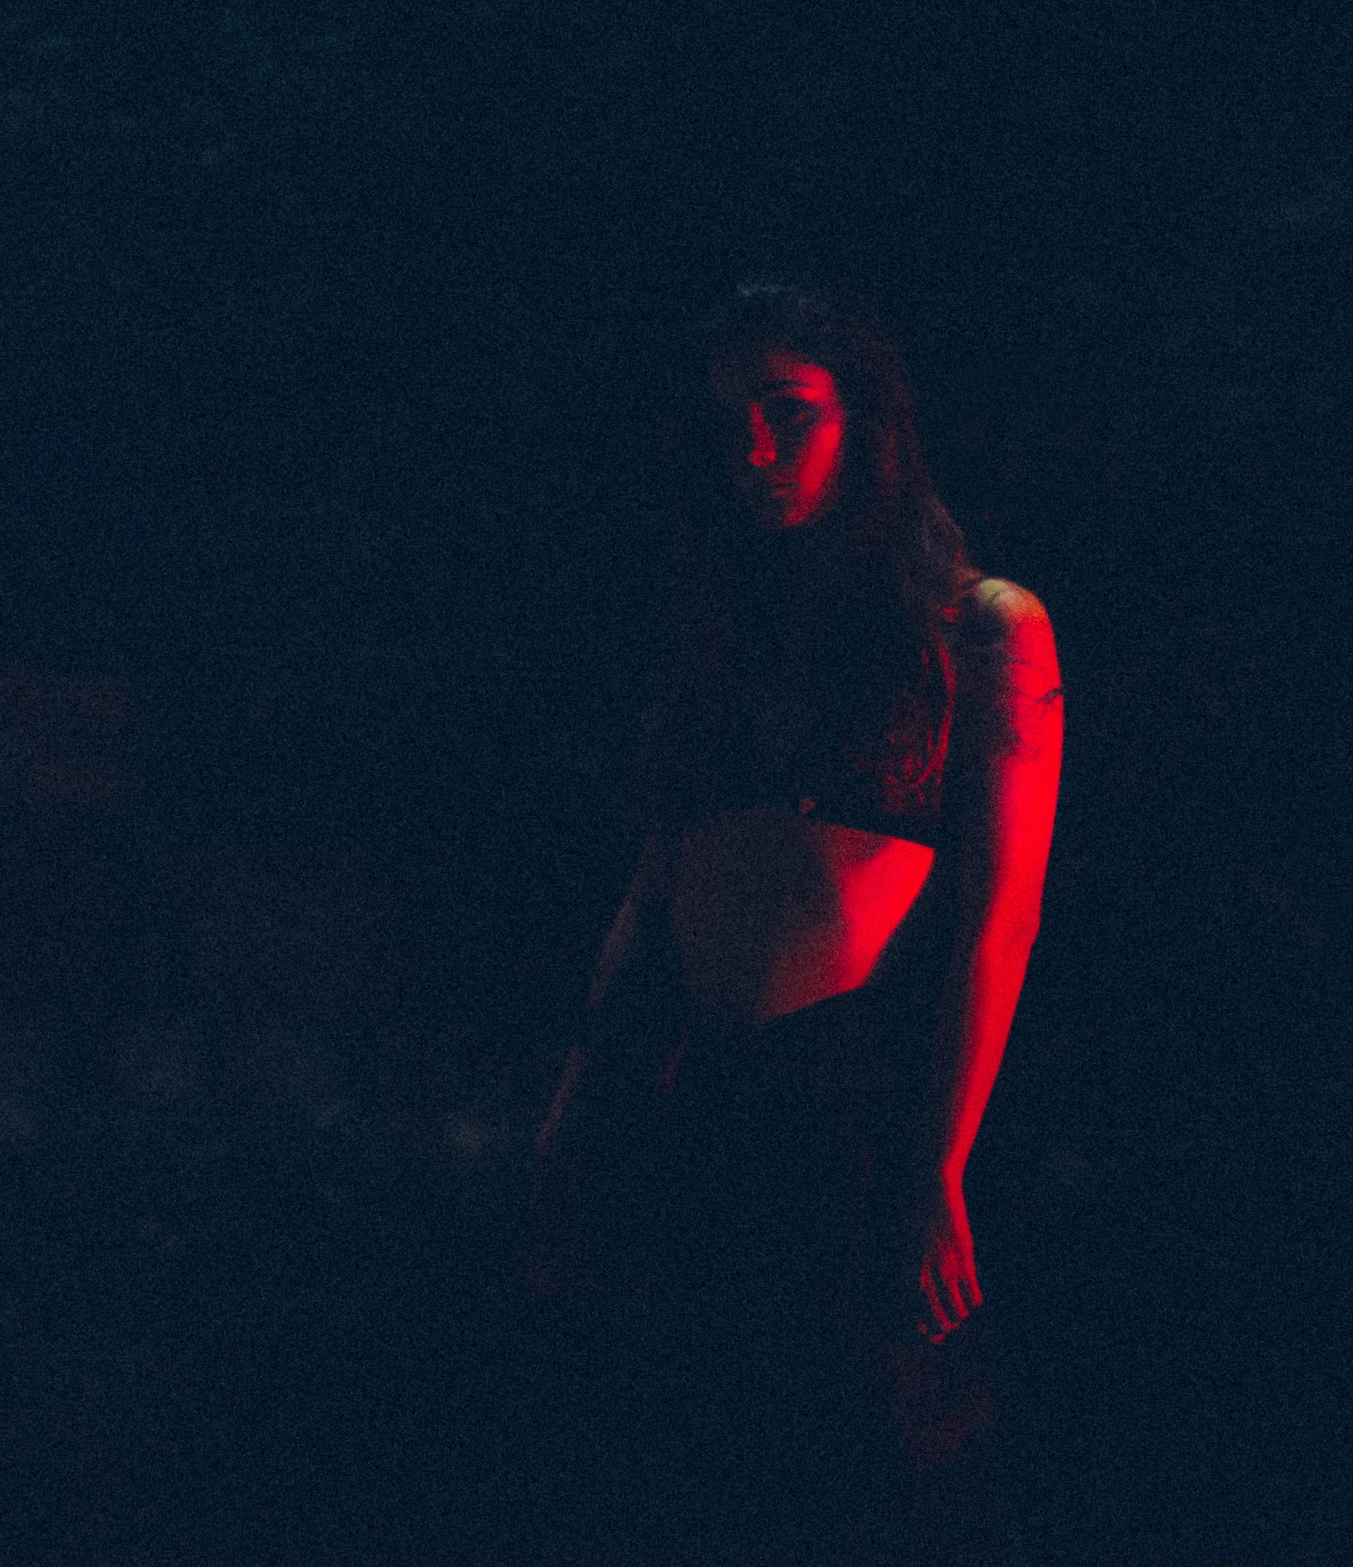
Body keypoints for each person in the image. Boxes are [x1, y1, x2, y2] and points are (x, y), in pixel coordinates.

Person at [526, 281, 1062, 1564]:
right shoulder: (726, 639)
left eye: (786, 412)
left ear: (864, 420)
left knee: (878, 1462)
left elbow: (1001, 918)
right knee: (683, 1467)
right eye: (730, 425)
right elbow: (652, 888)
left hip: (854, 1097)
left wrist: (937, 1164)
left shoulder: (976, 628)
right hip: (683, 1086)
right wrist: (568, 1112)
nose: (752, 451)